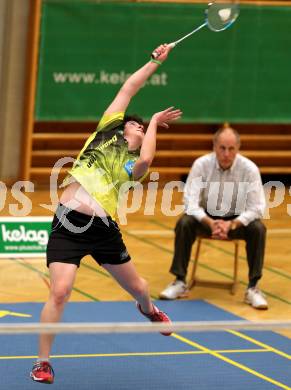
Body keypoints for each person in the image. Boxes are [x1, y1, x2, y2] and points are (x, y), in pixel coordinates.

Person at [30, 43, 182, 384]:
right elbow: (129, 87)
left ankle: (149, 310)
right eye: (139, 126)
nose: (141, 130)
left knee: (140, 288)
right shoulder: (106, 128)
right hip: (68, 223)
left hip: (103, 230)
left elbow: (145, 162)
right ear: (124, 126)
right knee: (60, 291)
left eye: (145, 130)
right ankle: (42, 362)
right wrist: (154, 62)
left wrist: (156, 121)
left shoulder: (132, 163)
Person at [160, 125, 268, 310]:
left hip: (236, 221)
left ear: (238, 148)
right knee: (184, 223)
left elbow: (257, 207)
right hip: (206, 219)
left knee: (258, 229)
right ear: (214, 146)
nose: (226, 153)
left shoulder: (249, 169)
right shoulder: (201, 165)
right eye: (222, 148)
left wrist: (232, 224)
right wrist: (210, 223)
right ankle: (179, 281)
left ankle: (253, 288)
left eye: (231, 148)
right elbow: (190, 203)